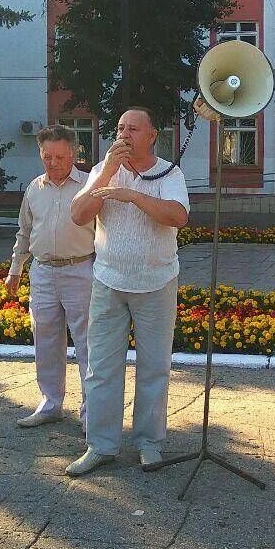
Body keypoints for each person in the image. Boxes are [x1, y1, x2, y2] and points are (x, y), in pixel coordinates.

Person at [64, 107, 190, 476]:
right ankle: (100, 444)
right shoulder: (102, 171)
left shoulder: (170, 172)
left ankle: (149, 443)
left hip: (157, 283)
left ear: (152, 135)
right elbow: (78, 214)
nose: (124, 134)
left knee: (154, 368)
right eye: (120, 128)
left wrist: (133, 195)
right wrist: (105, 175)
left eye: (133, 128)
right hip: (108, 282)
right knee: (101, 368)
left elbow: (178, 216)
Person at [6, 125, 96, 430]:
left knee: (86, 344)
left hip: (81, 270)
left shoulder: (89, 185)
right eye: (47, 156)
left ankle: (90, 413)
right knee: (44, 341)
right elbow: (24, 232)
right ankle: (50, 404)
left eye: (59, 156)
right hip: (42, 272)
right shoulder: (34, 188)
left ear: (72, 153)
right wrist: (15, 270)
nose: (53, 162)